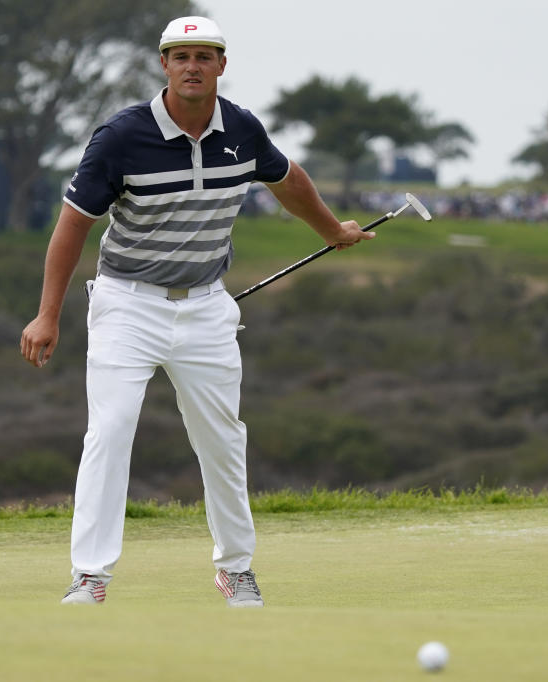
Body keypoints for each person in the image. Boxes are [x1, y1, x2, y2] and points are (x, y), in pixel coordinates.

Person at [19, 16, 374, 607]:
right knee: (110, 433)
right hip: (127, 304)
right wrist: (46, 314)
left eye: (204, 57)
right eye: (180, 56)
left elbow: (287, 181)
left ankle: (235, 569)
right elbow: (73, 225)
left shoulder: (241, 128)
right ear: (163, 65)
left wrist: (332, 229)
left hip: (208, 307)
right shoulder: (120, 137)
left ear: (221, 66)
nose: (192, 66)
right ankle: (91, 575)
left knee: (222, 439)